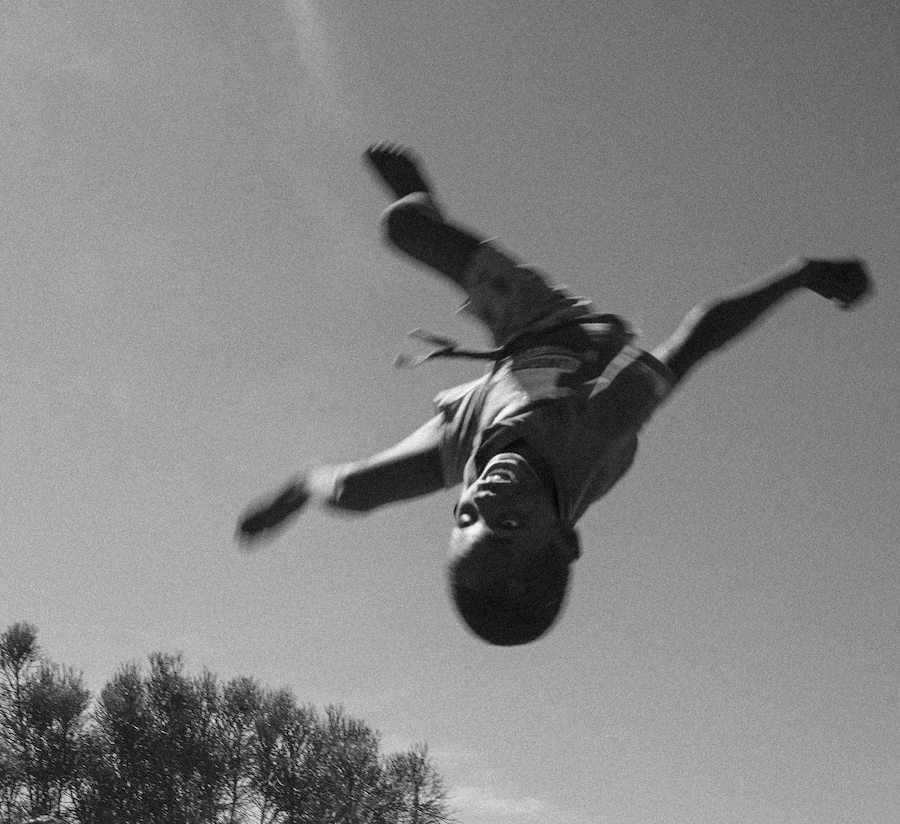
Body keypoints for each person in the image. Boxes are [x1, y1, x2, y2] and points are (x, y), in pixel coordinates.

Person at [237, 145, 872, 644]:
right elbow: (698, 337)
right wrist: (802, 276)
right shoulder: (599, 425)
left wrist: (308, 490)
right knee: (403, 224)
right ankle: (418, 196)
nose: (482, 500)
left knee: (356, 492)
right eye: (506, 522)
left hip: (482, 426)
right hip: (546, 330)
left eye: (464, 518)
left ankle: (300, 486)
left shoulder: (479, 478)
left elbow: (471, 494)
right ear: (564, 537)